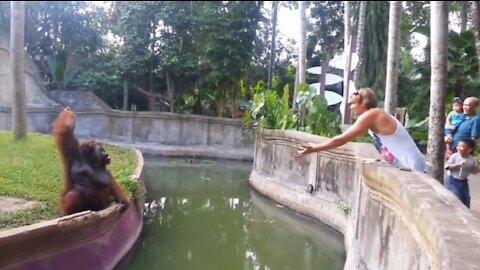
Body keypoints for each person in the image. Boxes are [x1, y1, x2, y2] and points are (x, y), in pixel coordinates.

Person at [296, 87, 427, 172]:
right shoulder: (374, 116)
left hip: (414, 167)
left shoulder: (372, 115)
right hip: (410, 166)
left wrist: (315, 148)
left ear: (364, 103)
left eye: (353, 103)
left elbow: (341, 140)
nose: (351, 107)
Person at [445, 138, 478, 208]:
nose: (458, 148)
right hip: (453, 180)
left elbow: (474, 171)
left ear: (469, 149)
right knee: (456, 197)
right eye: (458, 146)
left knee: (466, 199)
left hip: (464, 181)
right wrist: (457, 165)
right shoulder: (454, 156)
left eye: (462, 146)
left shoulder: (472, 160)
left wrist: (476, 169)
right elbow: (447, 167)